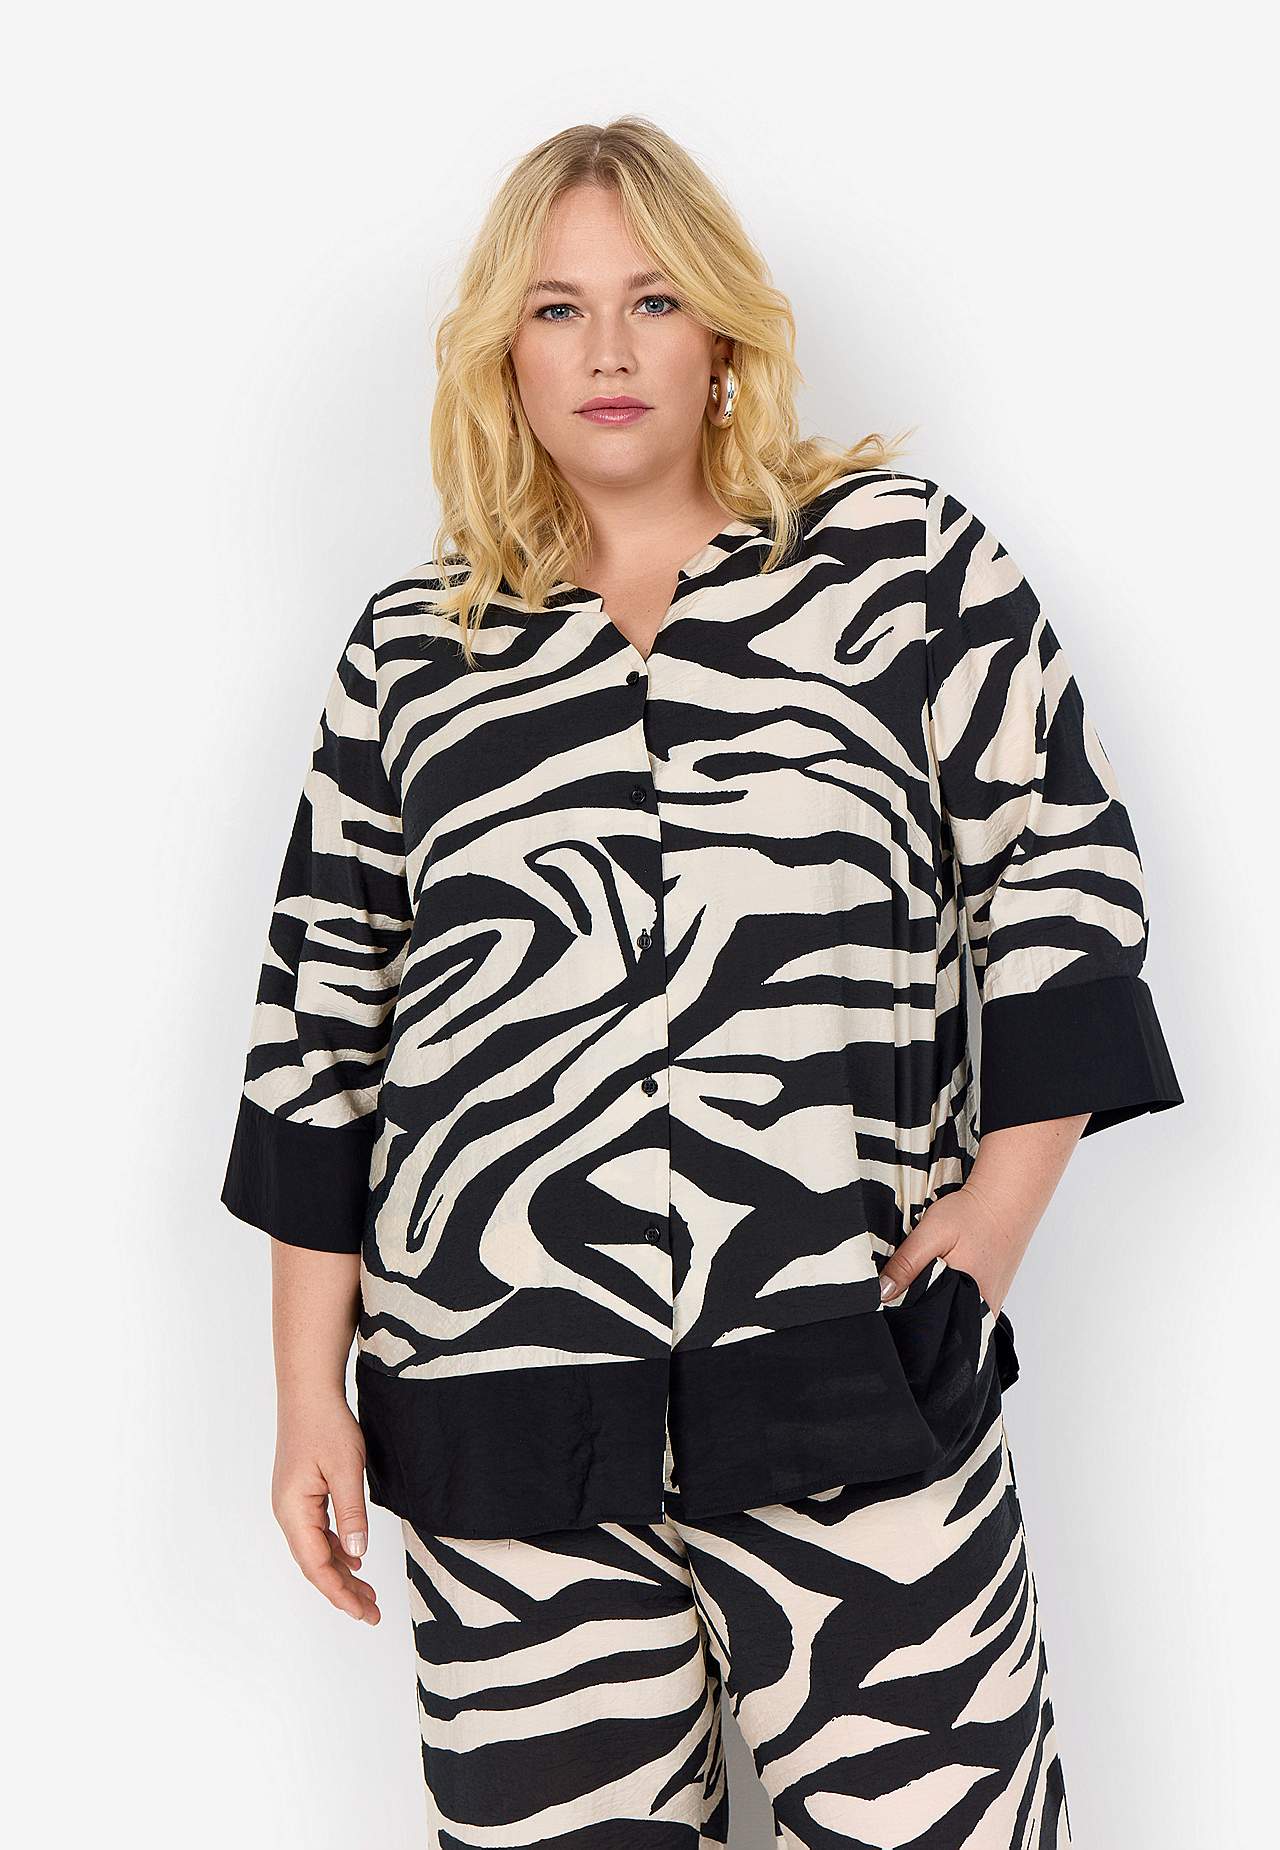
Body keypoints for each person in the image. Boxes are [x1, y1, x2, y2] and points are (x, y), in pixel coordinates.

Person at [220, 116, 1183, 1846]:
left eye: (652, 300)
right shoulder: (415, 653)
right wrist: (309, 1393)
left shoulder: (902, 570)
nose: (606, 348)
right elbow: (323, 1024)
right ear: (502, 353)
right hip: (506, 1422)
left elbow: (1062, 867)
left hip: (858, 1373)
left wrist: (994, 1219)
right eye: (557, 308)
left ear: (721, 332)